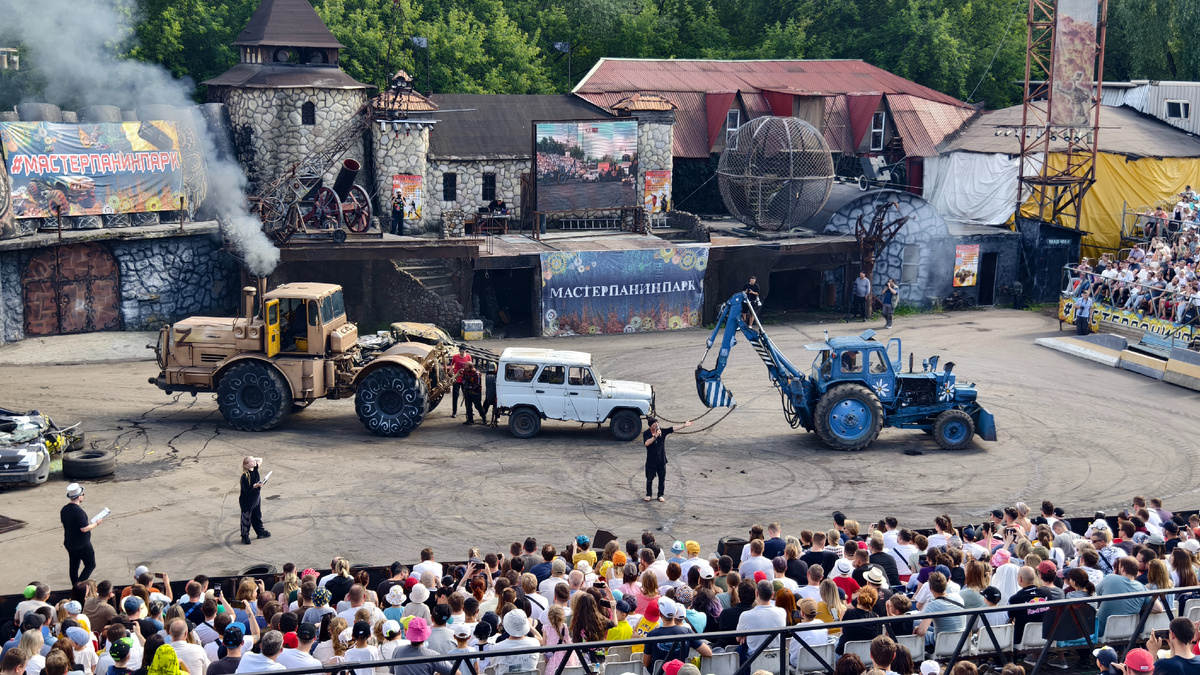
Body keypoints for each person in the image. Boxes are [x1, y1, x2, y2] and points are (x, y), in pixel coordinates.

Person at [642, 417, 692, 502]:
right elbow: (647, 443)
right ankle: (648, 495)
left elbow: (672, 428)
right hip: (651, 460)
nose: (656, 425)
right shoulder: (646, 433)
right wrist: (655, 436)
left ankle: (660, 495)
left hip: (661, 460)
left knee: (662, 478)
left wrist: (684, 425)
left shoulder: (662, 431)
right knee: (649, 478)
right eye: (654, 424)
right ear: (650, 425)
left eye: (656, 423)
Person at [62, 484, 101, 586]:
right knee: (90, 565)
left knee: (74, 566)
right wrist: (96, 523)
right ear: (79, 497)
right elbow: (84, 529)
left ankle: (75, 585)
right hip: (82, 545)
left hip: (70, 543)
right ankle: (79, 586)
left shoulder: (64, 509)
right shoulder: (78, 512)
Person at [238, 457, 270, 545]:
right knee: (246, 519)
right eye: (251, 461)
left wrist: (251, 457)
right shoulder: (245, 476)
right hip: (247, 500)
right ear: (246, 465)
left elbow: (261, 459)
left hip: (256, 498)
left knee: (257, 516)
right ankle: (245, 536)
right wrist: (255, 486)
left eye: (254, 461)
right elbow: (247, 491)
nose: (254, 462)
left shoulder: (255, 469)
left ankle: (260, 532)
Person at [450, 346, 472, 419]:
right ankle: (454, 411)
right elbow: (452, 365)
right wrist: (450, 371)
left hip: (465, 379)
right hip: (457, 378)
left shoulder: (468, 357)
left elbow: (471, 367)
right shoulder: (455, 357)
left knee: (466, 395)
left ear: (466, 351)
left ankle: (468, 410)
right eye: (461, 352)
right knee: (455, 395)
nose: (462, 353)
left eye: (463, 352)